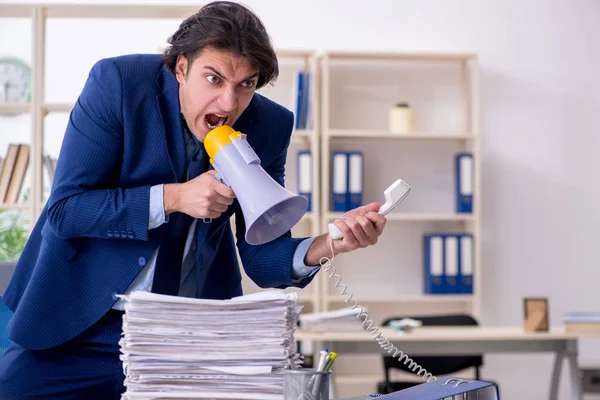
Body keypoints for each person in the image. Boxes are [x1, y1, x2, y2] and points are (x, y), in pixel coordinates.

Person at [0, 2, 387, 399]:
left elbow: (261, 256)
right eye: (213, 79)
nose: (228, 104)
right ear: (181, 67)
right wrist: (174, 198)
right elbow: (66, 211)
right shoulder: (118, 83)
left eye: (245, 85)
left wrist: (327, 244)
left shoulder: (270, 124)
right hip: (78, 324)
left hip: (187, 335)